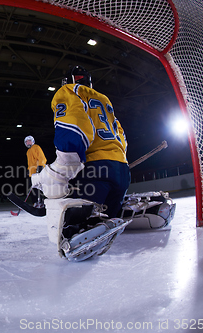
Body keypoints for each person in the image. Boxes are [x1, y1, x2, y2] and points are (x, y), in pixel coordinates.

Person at [31, 65, 130, 260]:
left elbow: (74, 124)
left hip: (96, 171)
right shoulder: (105, 100)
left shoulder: (70, 90)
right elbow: (121, 137)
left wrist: (63, 166)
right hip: (122, 169)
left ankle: (77, 230)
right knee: (104, 219)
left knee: (71, 230)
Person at [24, 135, 47, 208]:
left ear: (33, 141)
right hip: (32, 173)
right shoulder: (28, 151)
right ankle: (35, 202)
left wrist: (40, 166)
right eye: (27, 142)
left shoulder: (36, 147)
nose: (28, 143)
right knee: (32, 188)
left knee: (39, 187)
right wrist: (29, 170)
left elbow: (42, 157)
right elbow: (30, 163)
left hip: (38, 171)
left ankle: (42, 201)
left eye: (29, 141)